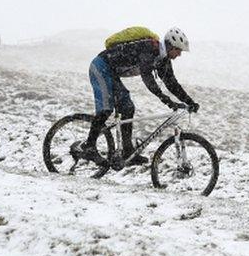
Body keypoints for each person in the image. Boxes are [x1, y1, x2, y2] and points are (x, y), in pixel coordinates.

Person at [79, 27, 199, 166]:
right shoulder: (149, 48)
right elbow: (147, 76)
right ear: (170, 46)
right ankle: (89, 146)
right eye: (178, 50)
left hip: (111, 72)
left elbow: (172, 84)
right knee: (106, 108)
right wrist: (166, 99)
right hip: (100, 66)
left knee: (128, 108)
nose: (179, 54)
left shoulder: (163, 60)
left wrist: (190, 102)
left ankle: (127, 151)